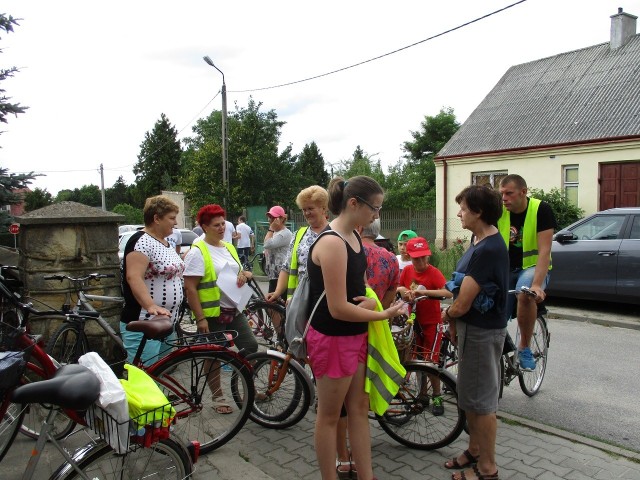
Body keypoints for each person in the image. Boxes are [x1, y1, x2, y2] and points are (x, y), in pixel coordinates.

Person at [307, 175, 407, 480]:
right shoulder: (332, 242)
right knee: (329, 416)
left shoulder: (353, 237)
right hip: (332, 338)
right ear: (353, 204)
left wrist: (370, 303)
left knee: (359, 409)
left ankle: (367, 475)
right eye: (374, 208)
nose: (377, 215)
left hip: (353, 334)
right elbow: (337, 308)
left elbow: (357, 286)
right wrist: (382, 313)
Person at [443, 185, 508, 480]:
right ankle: (475, 451)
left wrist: (448, 315)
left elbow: (463, 301)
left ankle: (487, 470)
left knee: (482, 405)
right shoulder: (478, 240)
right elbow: (458, 284)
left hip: (482, 333)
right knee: (470, 398)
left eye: (464, 209)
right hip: (473, 330)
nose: (459, 213)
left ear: (479, 213)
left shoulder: (489, 249)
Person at [335, 218, 400, 479]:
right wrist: (381, 308)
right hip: (375, 325)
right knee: (360, 401)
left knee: (339, 403)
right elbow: (393, 289)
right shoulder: (390, 258)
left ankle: (343, 456)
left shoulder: (349, 249)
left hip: (350, 326)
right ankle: (363, 466)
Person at [183, 204, 259, 414]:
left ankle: (244, 387)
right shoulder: (197, 252)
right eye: (216, 225)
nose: (221, 227)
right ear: (204, 226)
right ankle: (218, 397)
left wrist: (245, 274)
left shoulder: (229, 247)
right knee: (214, 355)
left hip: (233, 309)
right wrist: (200, 319)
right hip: (211, 313)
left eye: (223, 223)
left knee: (250, 346)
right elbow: (190, 287)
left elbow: (239, 270)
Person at [498, 174, 556, 371]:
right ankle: (499, 345)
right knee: (490, 305)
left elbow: (544, 251)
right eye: (502, 193)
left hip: (532, 268)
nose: (504, 198)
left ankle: (524, 347)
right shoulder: (499, 211)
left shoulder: (541, 209)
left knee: (525, 293)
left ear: (523, 192)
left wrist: (537, 284)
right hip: (507, 268)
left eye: (509, 193)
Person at [120, 195, 185, 364]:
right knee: (144, 377)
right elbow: (133, 276)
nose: (175, 223)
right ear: (156, 218)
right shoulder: (141, 241)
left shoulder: (165, 243)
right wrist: (150, 305)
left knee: (158, 374)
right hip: (144, 322)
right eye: (171, 218)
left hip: (166, 323)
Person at [396, 236, 452, 416]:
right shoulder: (407, 272)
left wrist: (424, 292)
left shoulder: (433, 272)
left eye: (423, 257)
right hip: (413, 322)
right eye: (416, 258)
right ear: (410, 257)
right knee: (415, 359)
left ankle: (437, 395)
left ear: (428, 256)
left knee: (430, 362)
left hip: (431, 324)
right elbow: (398, 287)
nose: (420, 262)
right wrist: (403, 291)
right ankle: (422, 394)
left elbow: (447, 292)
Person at [265, 185, 330, 304]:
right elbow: (287, 267)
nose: (307, 213)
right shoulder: (298, 235)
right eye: (304, 209)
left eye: (310, 208)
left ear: (323, 208)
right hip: (299, 303)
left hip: (327, 302)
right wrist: (277, 292)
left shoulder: (334, 234)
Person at [262, 205, 293, 303]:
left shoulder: (285, 233)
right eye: (269, 217)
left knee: (276, 304)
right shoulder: (275, 233)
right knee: (272, 306)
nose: (270, 220)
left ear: (282, 219)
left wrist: (271, 229)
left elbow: (267, 244)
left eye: (273, 217)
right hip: (273, 275)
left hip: (281, 275)